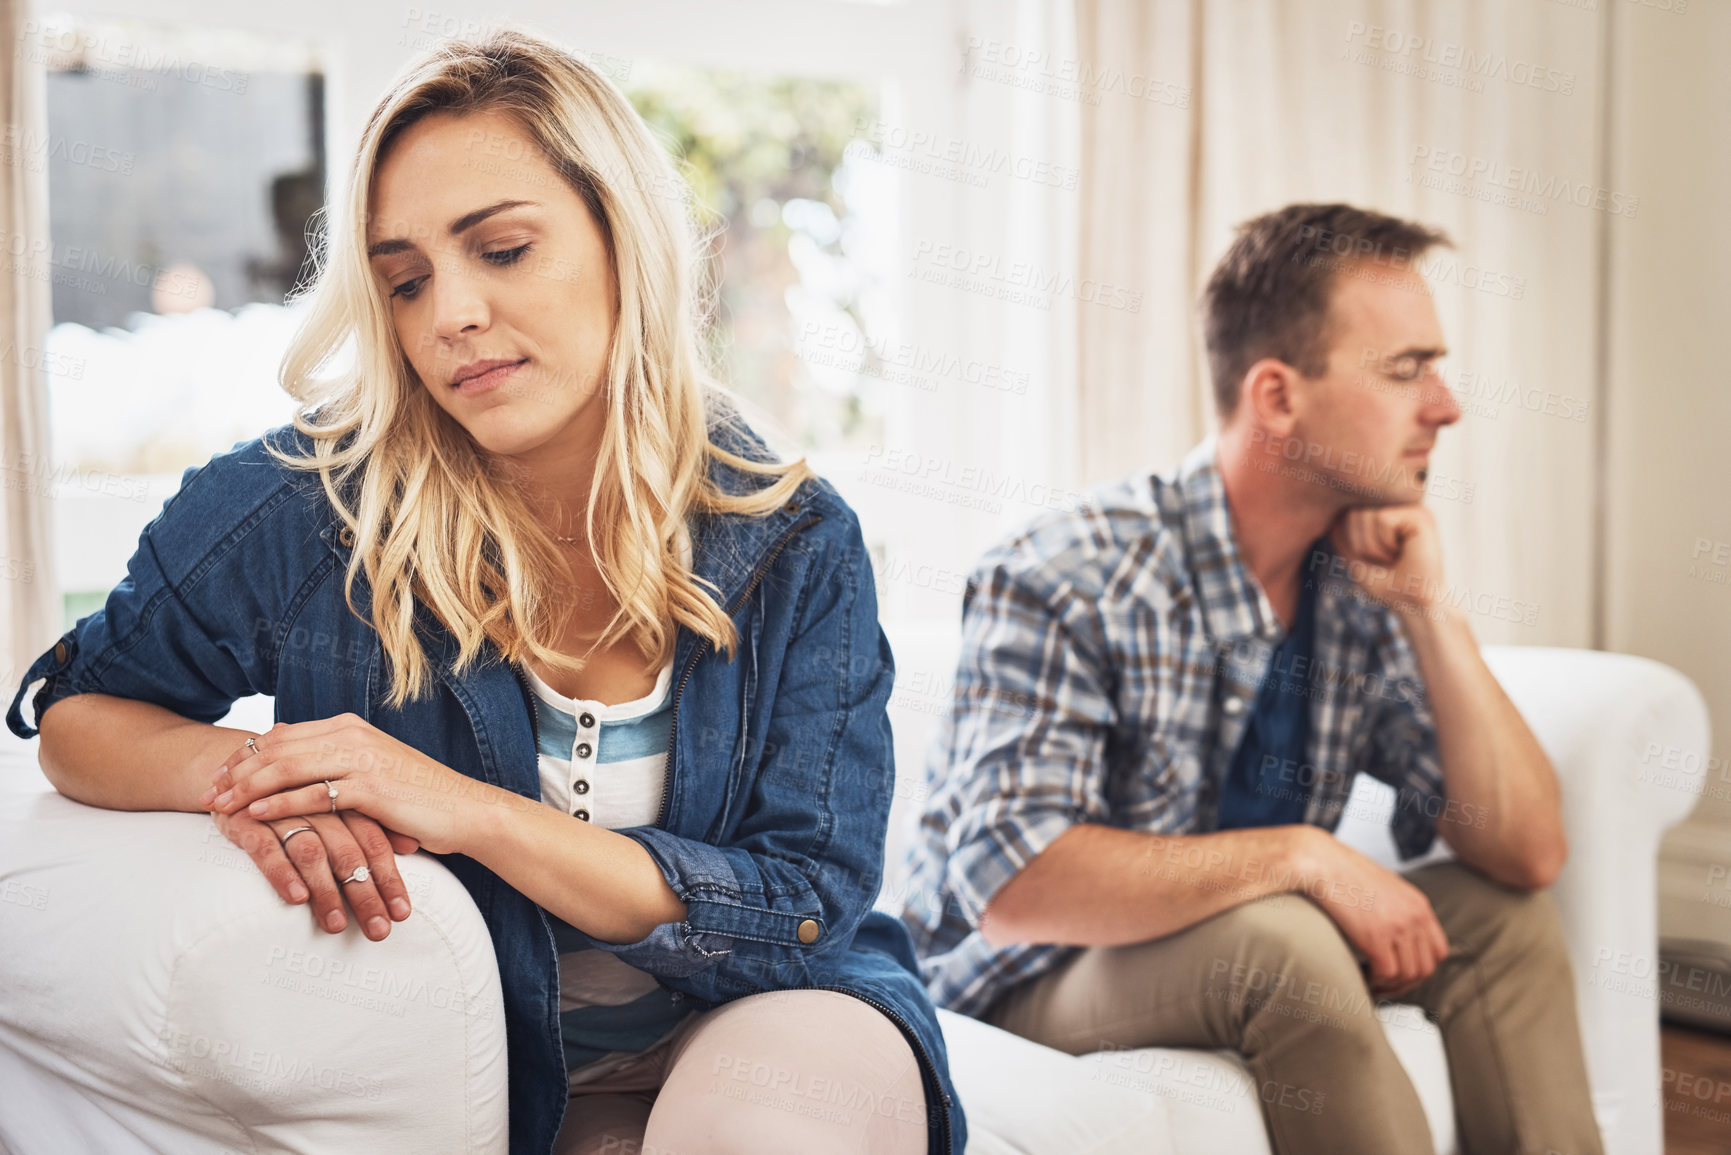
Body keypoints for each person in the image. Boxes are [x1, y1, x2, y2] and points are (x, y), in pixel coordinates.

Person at [8, 29, 964, 1155]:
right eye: (405, 281)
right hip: (498, 1063)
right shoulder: (305, 512)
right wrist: (267, 779)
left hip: (766, 1013)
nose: (448, 315)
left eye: (502, 250)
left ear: (624, 243)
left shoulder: (794, 543)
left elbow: (803, 904)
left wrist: (460, 807)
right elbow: (78, 714)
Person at [898, 203, 1601, 1155]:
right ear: (1276, 395)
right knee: (1289, 942)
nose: (1445, 405)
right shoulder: (1068, 569)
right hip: (1031, 971)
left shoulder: (1354, 584)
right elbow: (1015, 884)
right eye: (1406, 370)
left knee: (1501, 922)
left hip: (1230, 935)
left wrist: (1432, 612)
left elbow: (1525, 852)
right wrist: (1302, 856)